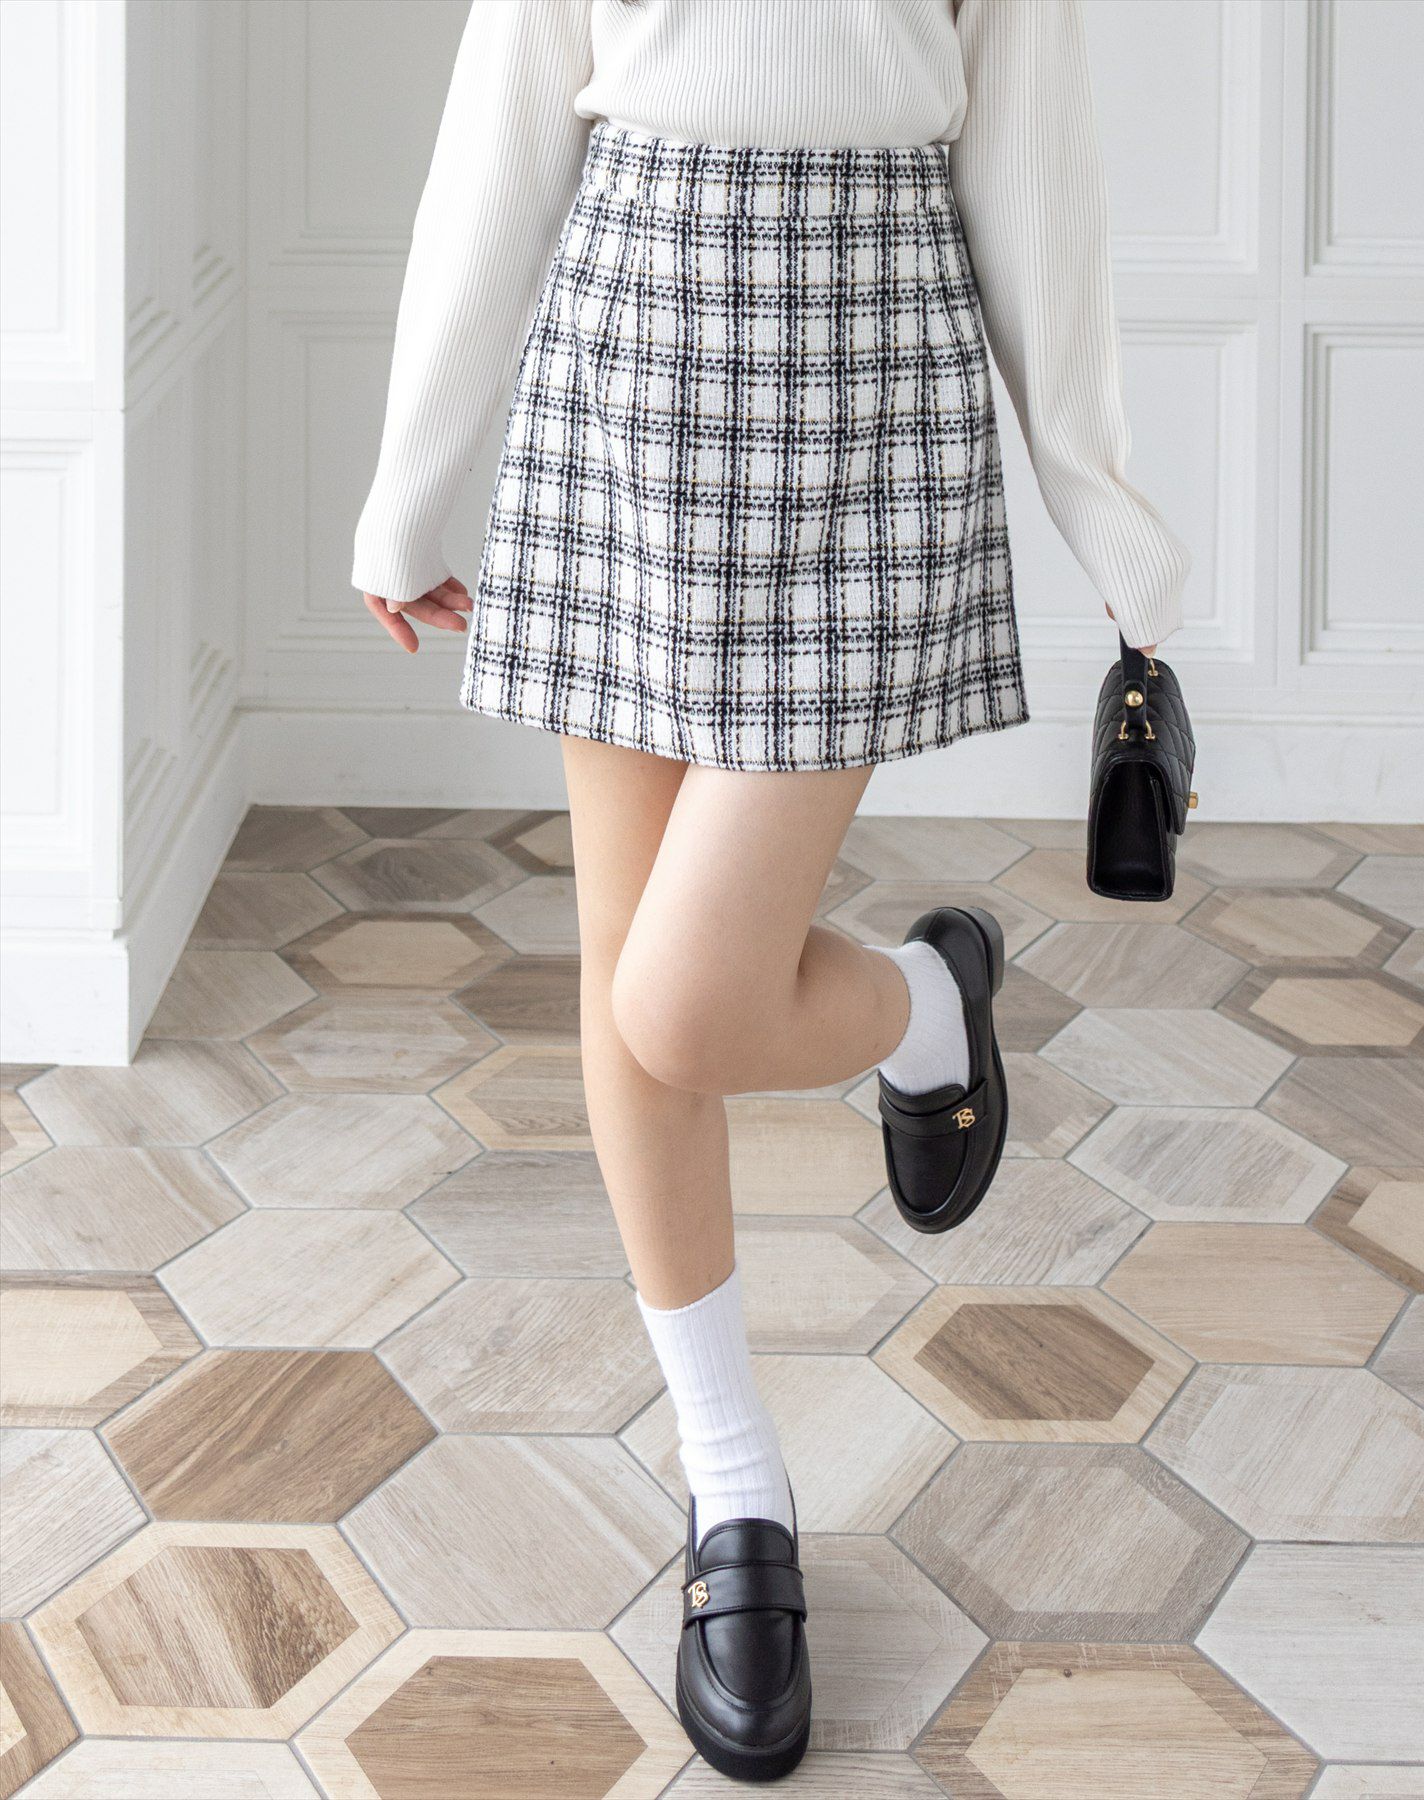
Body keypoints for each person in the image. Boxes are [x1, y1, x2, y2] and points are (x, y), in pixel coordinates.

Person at [353, 1, 1188, 1781]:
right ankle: (733, 1476)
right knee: (626, 975)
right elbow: (502, 130)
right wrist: (410, 487)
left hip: (871, 368)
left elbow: (1033, 168)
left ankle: (932, 1001)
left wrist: (1106, 507)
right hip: (627, 350)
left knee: (687, 1000)